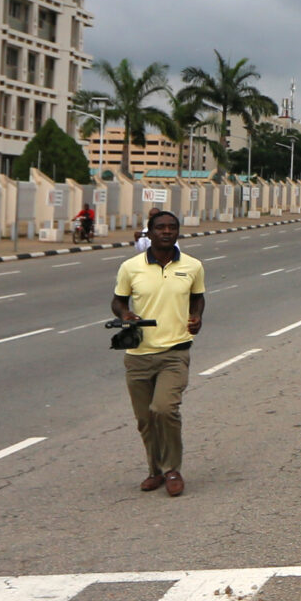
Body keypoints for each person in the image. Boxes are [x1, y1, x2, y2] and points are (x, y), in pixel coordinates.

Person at [114, 208, 207, 497]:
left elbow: (198, 298)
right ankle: (154, 470)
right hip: (138, 354)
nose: (166, 231)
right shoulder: (131, 267)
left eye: (171, 227)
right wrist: (126, 313)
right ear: (149, 232)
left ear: (177, 232)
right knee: (145, 419)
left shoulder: (192, 266)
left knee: (164, 409)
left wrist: (197, 317)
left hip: (174, 353)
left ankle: (173, 469)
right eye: (160, 227)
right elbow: (117, 301)